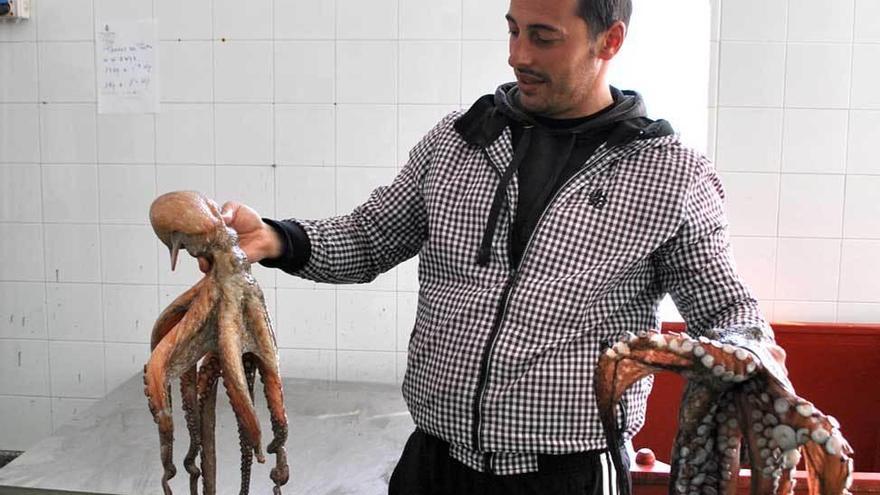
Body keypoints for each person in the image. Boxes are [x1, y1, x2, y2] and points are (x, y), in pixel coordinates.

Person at [201, 0, 783, 493]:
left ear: (609, 40)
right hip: (433, 461)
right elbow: (368, 236)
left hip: (568, 474)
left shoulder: (668, 175)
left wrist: (753, 363)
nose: (517, 55)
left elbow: (731, 315)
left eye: (543, 37)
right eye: (512, 28)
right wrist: (277, 238)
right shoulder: (460, 142)